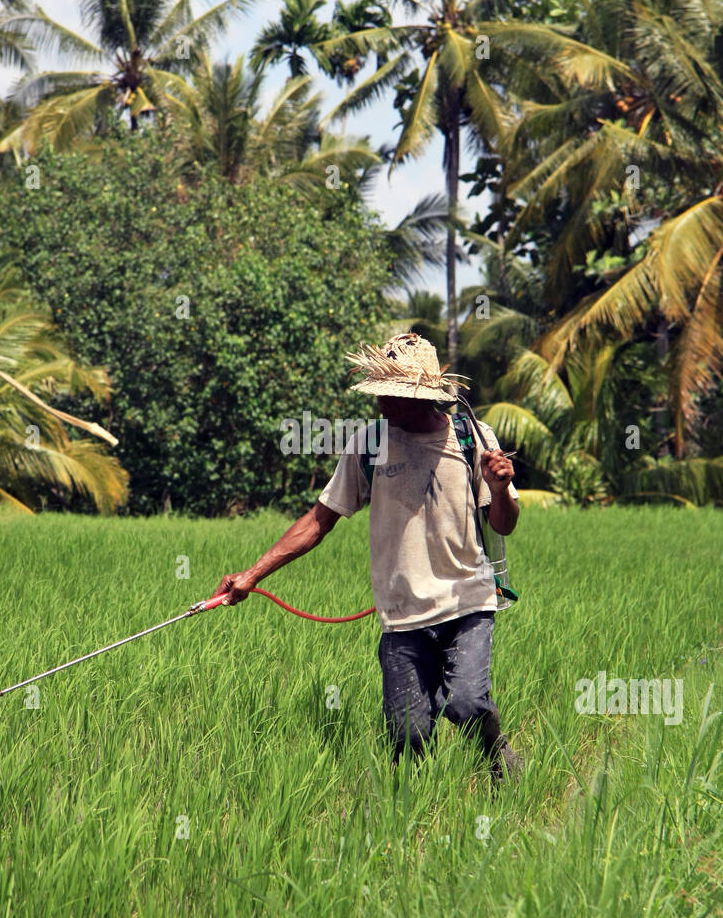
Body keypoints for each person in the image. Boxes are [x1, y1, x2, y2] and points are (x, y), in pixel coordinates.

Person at [212, 331, 523, 786]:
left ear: (424, 398)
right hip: (401, 616)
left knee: (467, 705)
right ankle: (411, 824)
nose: (381, 402)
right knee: (407, 738)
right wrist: (252, 575)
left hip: (467, 603)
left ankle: (497, 756)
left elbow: (504, 524)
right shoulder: (368, 444)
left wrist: (498, 490)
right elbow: (319, 520)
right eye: (379, 392)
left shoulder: (471, 438)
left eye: (392, 395)